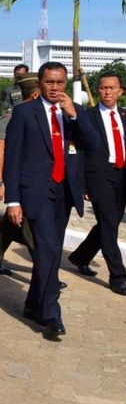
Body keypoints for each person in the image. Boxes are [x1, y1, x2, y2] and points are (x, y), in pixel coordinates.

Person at [4, 61, 100, 341]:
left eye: (60, 82)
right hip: (36, 191)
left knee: (53, 250)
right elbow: (12, 157)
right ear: (40, 83)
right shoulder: (24, 113)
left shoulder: (74, 111)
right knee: (47, 248)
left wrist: (75, 116)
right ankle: (51, 313)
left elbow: (92, 145)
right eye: (50, 82)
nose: (55, 87)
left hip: (65, 192)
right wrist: (12, 200)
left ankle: (33, 304)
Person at [68, 73, 126, 295]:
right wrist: (81, 183)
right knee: (109, 224)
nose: (107, 92)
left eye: (112, 88)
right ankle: (118, 276)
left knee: (108, 222)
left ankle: (80, 256)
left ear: (120, 91)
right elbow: (79, 151)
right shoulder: (88, 116)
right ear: (98, 90)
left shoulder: (124, 115)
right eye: (103, 88)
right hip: (99, 176)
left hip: (122, 175)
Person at [0, 75, 39, 276]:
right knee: (31, 228)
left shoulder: (40, 114)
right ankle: (45, 272)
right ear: (36, 92)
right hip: (20, 180)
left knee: (11, 223)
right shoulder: (13, 116)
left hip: (34, 178)